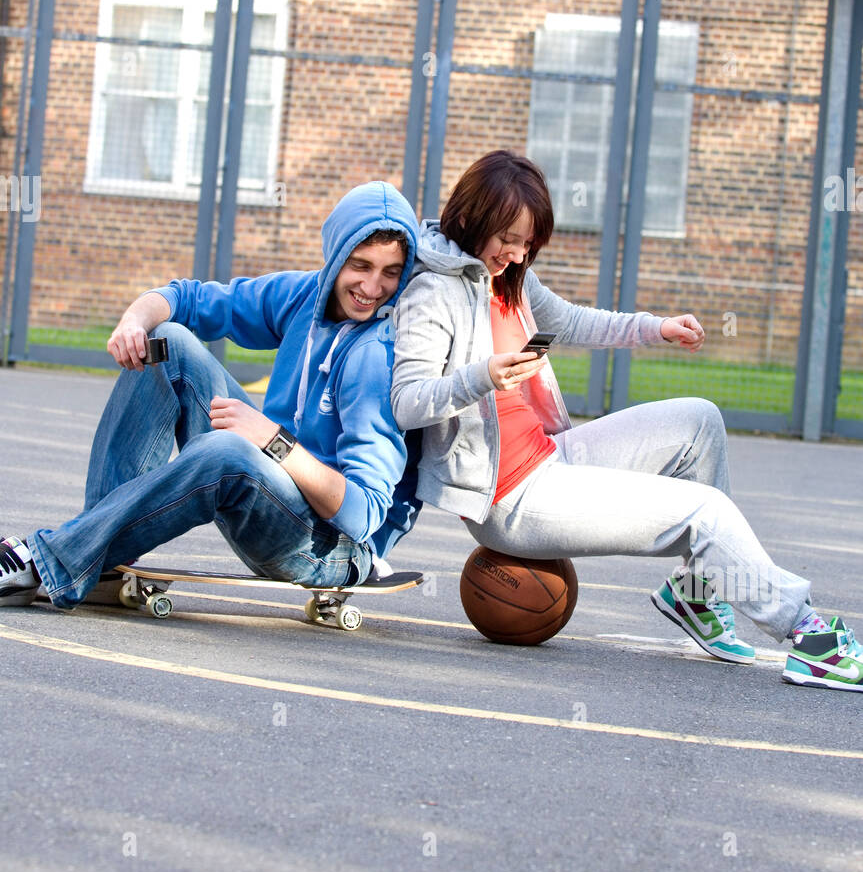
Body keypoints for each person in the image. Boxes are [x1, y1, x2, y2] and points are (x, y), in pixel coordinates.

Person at [390, 150, 862, 692]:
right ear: (471, 217)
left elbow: (570, 321)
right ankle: (808, 636)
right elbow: (408, 399)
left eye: (528, 244)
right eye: (509, 239)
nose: (518, 254)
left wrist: (656, 329)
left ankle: (696, 595)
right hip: (506, 497)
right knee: (704, 514)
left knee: (698, 422)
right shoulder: (433, 291)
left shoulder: (507, 278)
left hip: (549, 456)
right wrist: (484, 376)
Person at [0, 180, 421, 609]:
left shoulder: (377, 356)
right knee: (167, 344)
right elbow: (189, 299)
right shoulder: (305, 296)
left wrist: (273, 441)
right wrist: (133, 322)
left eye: (391, 272)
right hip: (272, 489)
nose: (372, 287)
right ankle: (102, 562)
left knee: (226, 451)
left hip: (325, 548)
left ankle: (48, 559)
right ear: (334, 258)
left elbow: (363, 515)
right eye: (360, 265)